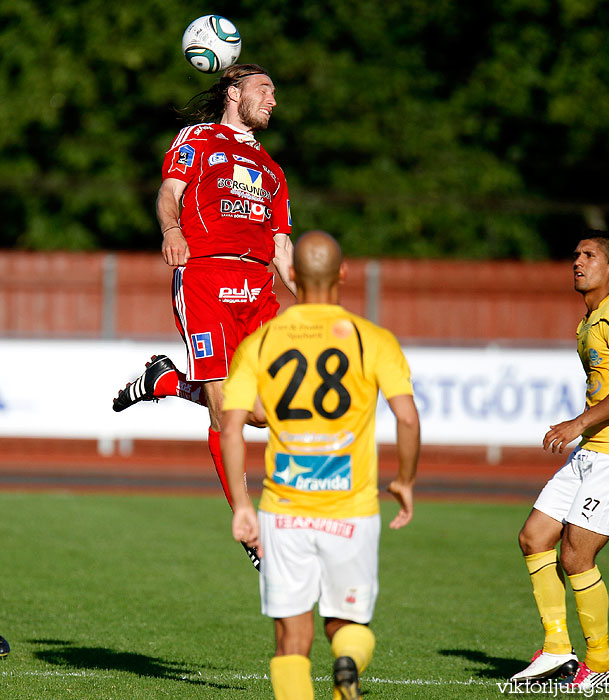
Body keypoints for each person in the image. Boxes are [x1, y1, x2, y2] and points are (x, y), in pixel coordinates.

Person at [220, 230, 420, 700]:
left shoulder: (262, 341)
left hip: (283, 510)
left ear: (290, 275)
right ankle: (348, 661)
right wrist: (405, 481)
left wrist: (241, 507)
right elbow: (407, 418)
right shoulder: (373, 339)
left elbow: (231, 428)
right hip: (350, 509)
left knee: (291, 638)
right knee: (347, 623)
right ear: (343, 274)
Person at [112, 64, 295, 566]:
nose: (274, 100)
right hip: (206, 280)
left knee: (261, 413)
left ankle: (166, 381)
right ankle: (249, 529)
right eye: (266, 89)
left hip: (259, 292)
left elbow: (282, 246)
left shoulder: (273, 171)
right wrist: (172, 231)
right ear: (234, 93)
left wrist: (317, 299)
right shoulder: (199, 138)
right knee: (222, 408)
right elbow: (169, 192)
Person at [511, 232, 609, 690]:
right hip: (593, 453)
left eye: (588, 256)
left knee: (576, 554)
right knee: (535, 537)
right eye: (575, 255)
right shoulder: (589, 319)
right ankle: (557, 650)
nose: (577, 262)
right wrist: (584, 433)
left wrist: (577, 423)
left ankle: (601, 660)